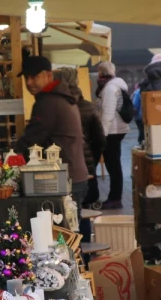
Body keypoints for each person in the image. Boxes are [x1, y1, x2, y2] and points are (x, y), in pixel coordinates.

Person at [14, 55, 88, 210]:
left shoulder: (48, 102)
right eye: (26, 78)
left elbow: (32, 138)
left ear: (48, 75)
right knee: (74, 221)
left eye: (34, 77)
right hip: (75, 174)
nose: (29, 83)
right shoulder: (63, 96)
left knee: (62, 223)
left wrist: (11, 157)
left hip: (62, 178)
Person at [54, 67, 105, 209]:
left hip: (57, 168)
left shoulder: (51, 106)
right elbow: (100, 140)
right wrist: (92, 160)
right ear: (76, 81)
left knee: (60, 209)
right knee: (84, 210)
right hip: (84, 167)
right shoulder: (88, 107)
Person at [95, 61, 130, 209]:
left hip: (112, 131)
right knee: (113, 164)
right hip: (115, 130)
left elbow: (108, 113)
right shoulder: (114, 86)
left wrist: (102, 135)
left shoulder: (110, 88)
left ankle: (115, 198)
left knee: (113, 165)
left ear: (102, 73)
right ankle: (115, 197)